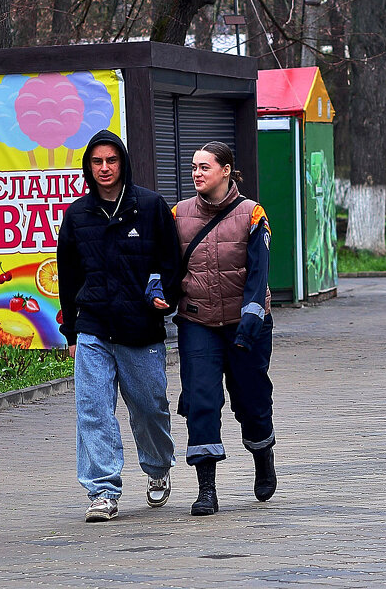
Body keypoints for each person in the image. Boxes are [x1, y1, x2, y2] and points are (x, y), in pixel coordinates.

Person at [57, 130, 182, 522]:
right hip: (94, 326)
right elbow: (68, 276)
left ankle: (158, 469)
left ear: (122, 163)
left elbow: (171, 261)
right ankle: (103, 491)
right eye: (97, 162)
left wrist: (167, 296)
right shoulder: (77, 216)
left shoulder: (150, 206)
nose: (105, 168)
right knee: (93, 410)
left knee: (150, 409)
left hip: (140, 328)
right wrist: (73, 332)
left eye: (111, 161)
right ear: (88, 167)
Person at [172, 141, 276, 516]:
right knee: (202, 400)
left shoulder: (252, 214)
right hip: (198, 321)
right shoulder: (178, 215)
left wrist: (250, 324)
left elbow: (258, 271)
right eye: (194, 167)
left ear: (226, 170)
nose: (197, 173)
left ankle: (263, 455)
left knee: (251, 401)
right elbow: (166, 265)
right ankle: (206, 489)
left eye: (205, 167)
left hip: (245, 323)